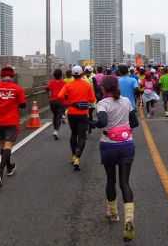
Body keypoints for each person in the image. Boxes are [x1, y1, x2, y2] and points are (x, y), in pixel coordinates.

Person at [94, 75, 139, 242]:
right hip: (127, 145)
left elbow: (102, 121)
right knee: (125, 183)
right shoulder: (126, 101)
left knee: (110, 180)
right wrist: (123, 126)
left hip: (108, 145)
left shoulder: (102, 104)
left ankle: (113, 213)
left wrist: (94, 123)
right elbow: (134, 123)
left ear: (104, 89)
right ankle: (129, 219)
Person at [0, 66, 26, 188]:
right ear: (12, 76)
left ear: (1, 76)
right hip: (11, 121)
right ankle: (0, 171)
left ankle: (9, 167)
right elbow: (23, 105)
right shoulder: (17, 89)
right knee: (8, 146)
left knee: (3, 146)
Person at [58, 65, 96, 171]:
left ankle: (74, 155)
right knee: (82, 136)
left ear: (73, 75)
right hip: (83, 113)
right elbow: (92, 99)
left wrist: (69, 100)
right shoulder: (87, 85)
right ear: (82, 74)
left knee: (74, 134)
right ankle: (77, 158)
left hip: (71, 113)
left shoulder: (68, 85)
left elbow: (60, 96)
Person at [47, 68, 66, 140]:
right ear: (61, 75)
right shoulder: (63, 83)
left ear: (54, 75)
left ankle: (55, 129)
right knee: (58, 116)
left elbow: (47, 89)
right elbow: (67, 93)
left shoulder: (51, 82)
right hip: (60, 101)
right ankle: (56, 131)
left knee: (55, 116)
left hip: (52, 102)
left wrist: (49, 96)